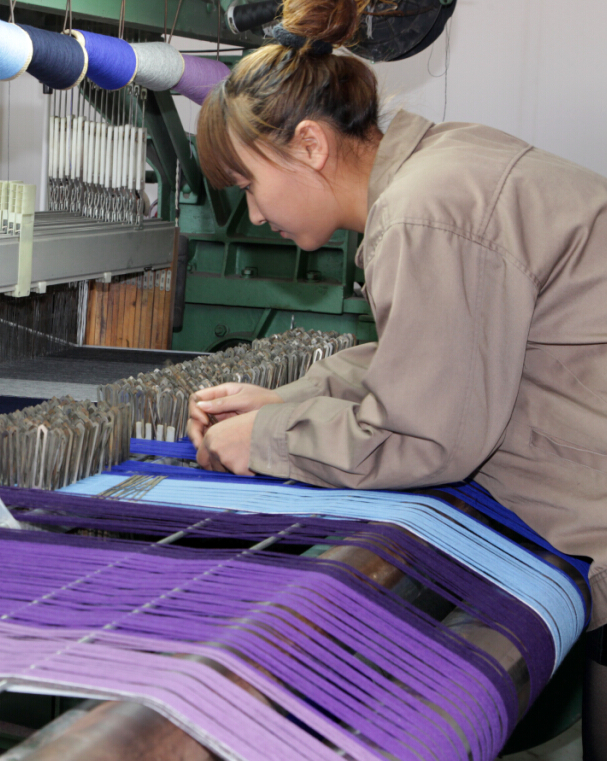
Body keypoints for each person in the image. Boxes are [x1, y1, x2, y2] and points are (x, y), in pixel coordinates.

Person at [187, 0, 607, 755]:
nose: (252, 215)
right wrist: (288, 399)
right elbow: (442, 350)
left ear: (310, 144)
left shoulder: (423, 212)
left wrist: (269, 439)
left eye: (248, 184)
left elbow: (424, 437)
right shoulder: (444, 166)